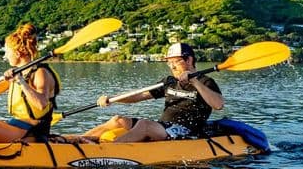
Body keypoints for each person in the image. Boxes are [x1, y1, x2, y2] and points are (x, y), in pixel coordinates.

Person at [81, 43, 224, 142]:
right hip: (164, 127)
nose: (171, 66)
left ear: (189, 60)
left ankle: (110, 151)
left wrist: (195, 82)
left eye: (176, 61)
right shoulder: (169, 81)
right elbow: (140, 95)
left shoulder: (206, 82)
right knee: (118, 120)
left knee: (144, 125)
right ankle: (78, 141)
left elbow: (218, 105)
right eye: (169, 62)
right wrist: (113, 99)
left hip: (186, 131)